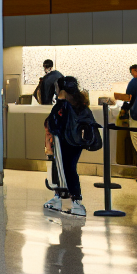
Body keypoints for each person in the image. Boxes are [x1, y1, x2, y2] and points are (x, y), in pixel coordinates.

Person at [42, 76, 93, 218]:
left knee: (66, 170)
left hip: (65, 142)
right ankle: (62, 197)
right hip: (76, 142)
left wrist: (60, 99)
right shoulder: (80, 103)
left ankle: (74, 200)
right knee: (66, 169)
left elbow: (53, 122)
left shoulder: (64, 104)